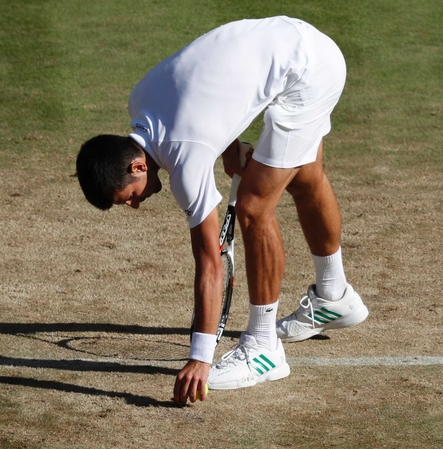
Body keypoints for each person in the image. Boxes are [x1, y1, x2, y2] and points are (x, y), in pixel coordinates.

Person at [75, 16, 369, 405]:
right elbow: (208, 86)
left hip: (307, 73)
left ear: (138, 167)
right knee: (305, 176)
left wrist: (200, 358)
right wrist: (230, 149)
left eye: (127, 196)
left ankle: (264, 349)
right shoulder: (141, 98)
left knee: (252, 208)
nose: (133, 204)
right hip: (299, 40)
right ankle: (334, 296)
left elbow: (211, 263)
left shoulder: (186, 159)